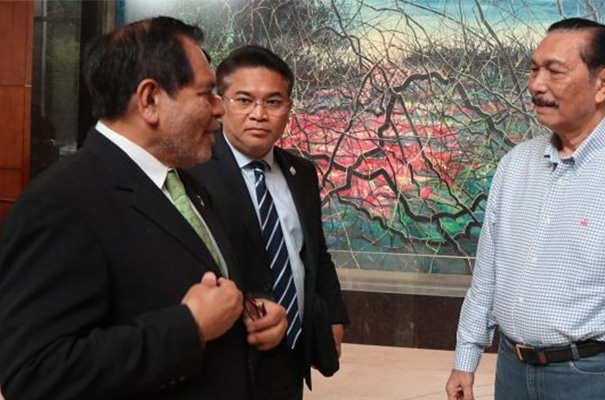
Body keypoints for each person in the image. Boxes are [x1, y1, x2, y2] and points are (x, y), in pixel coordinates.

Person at [0, 17, 287, 400]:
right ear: (150, 100)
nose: (220, 108)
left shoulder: (187, 184)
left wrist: (250, 312)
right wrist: (188, 327)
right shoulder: (59, 204)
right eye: (206, 93)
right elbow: (35, 375)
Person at [445, 18, 605, 400]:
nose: (536, 85)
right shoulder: (514, 165)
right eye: (534, 69)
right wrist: (465, 357)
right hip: (513, 370)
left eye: (555, 71)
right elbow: (488, 275)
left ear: (604, 82)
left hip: (598, 378)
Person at [189, 45, 349, 400]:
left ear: (288, 108)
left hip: (291, 352)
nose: (259, 114)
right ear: (221, 103)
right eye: (244, 100)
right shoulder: (194, 173)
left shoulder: (301, 173)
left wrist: (335, 317)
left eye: (273, 102)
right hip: (226, 358)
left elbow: (315, 252)